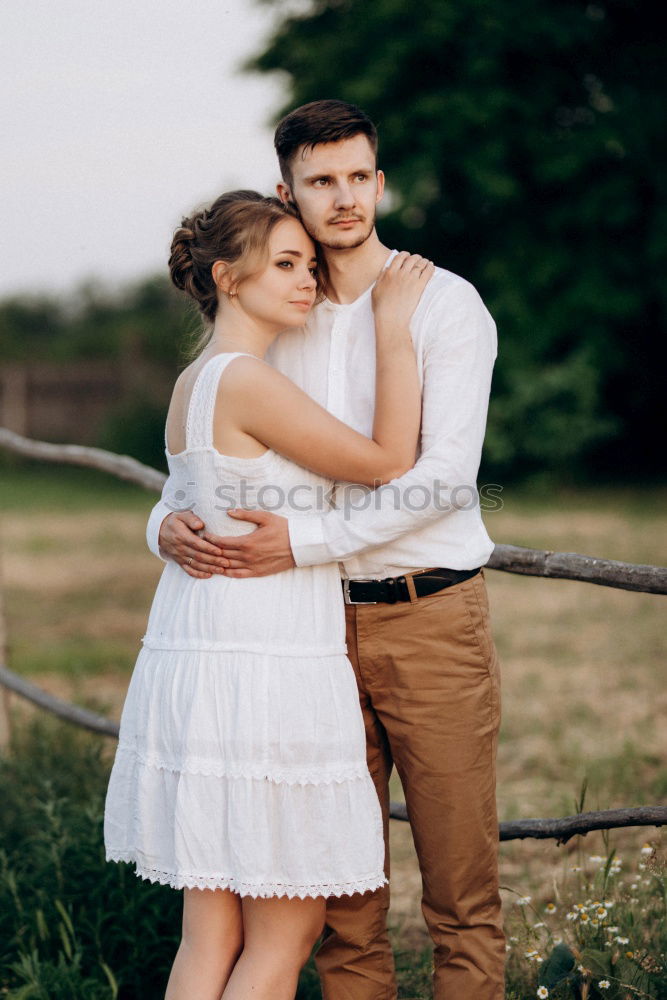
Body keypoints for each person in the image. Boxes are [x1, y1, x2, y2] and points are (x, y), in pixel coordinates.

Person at [148, 101, 505, 999]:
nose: (343, 199)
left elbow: (438, 481)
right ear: (288, 192)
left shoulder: (442, 304)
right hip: (307, 638)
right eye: (320, 182)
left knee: (459, 892)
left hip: (427, 616)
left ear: (379, 182)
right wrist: (161, 525)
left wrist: (300, 542)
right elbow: (208, 471)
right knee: (341, 903)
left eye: (357, 177)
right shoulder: (284, 312)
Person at [104, 189, 434, 1000]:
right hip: (266, 662)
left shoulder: (194, 382)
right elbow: (390, 459)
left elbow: (187, 505)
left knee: (209, 937)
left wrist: (160, 527)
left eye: (310, 265)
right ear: (227, 275)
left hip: (208, 649)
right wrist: (393, 330)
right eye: (286, 264)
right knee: (282, 942)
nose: (307, 281)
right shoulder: (248, 381)